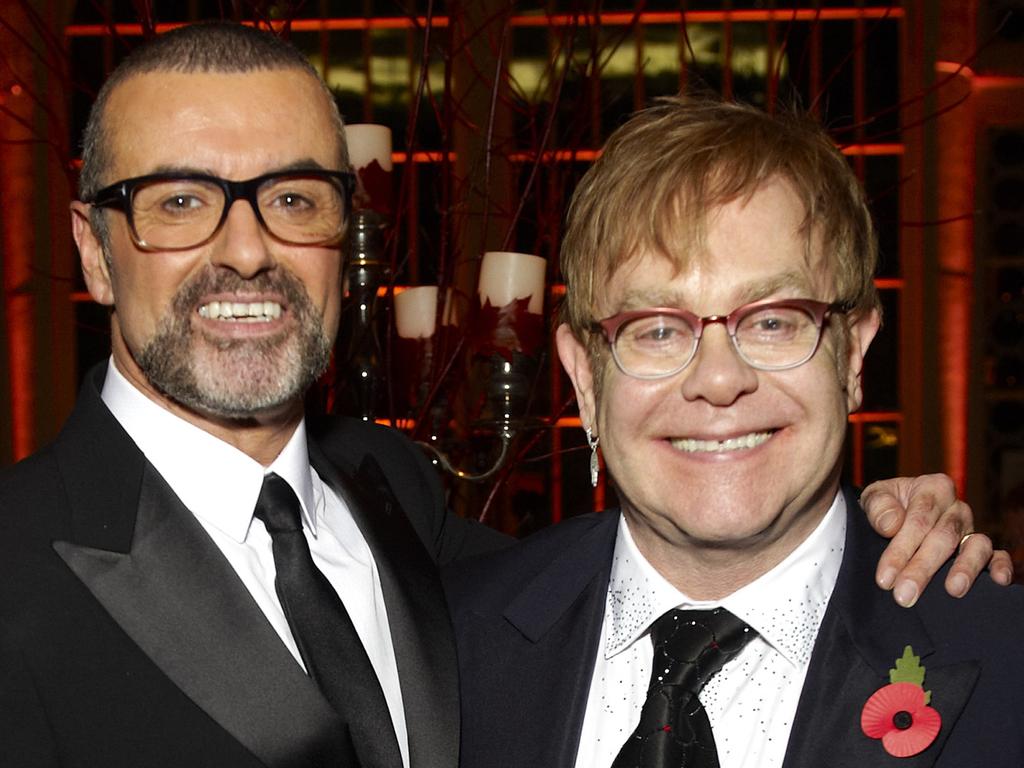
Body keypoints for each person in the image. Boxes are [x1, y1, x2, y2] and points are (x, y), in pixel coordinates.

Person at [0, 22, 1005, 768]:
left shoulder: (404, 517)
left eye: (294, 197)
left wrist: (884, 520)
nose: (249, 249)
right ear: (91, 249)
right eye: (179, 200)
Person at [444, 97, 1024, 768]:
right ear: (584, 380)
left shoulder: (1004, 664)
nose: (719, 381)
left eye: (774, 320)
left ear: (854, 356)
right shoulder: (442, 648)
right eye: (658, 328)